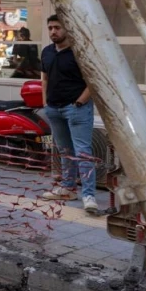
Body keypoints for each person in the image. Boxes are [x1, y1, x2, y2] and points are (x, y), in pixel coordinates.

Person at [38, 14, 98, 214]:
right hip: (54, 108)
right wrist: (45, 103)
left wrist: (81, 101)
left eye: (57, 27)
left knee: (83, 153)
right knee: (64, 152)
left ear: (67, 29)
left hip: (76, 108)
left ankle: (88, 195)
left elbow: (93, 80)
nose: (53, 31)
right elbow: (44, 78)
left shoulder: (79, 52)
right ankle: (68, 188)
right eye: (50, 28)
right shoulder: (47, 52)